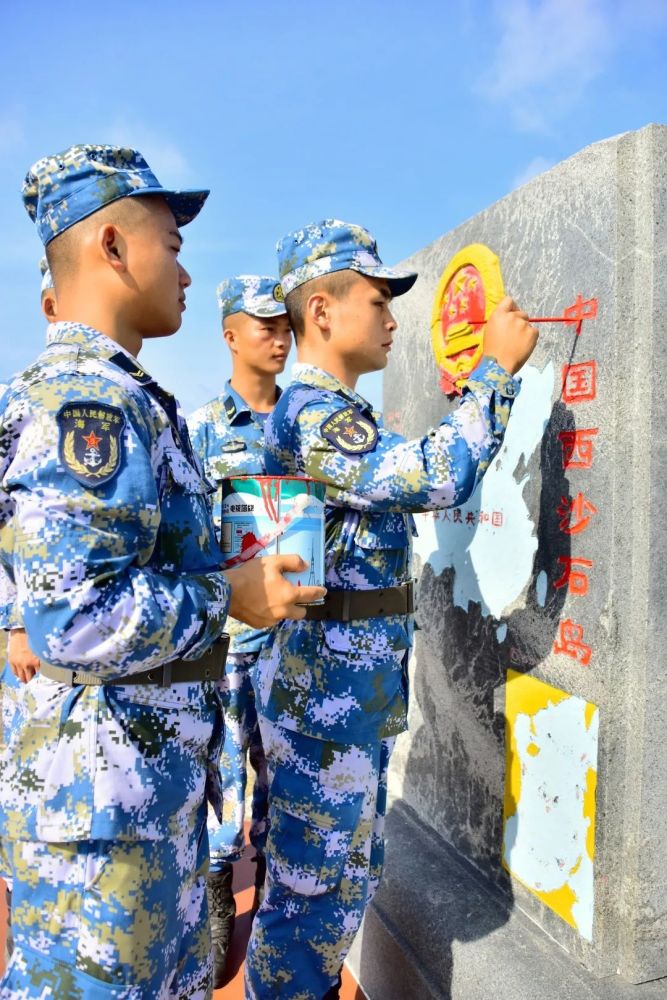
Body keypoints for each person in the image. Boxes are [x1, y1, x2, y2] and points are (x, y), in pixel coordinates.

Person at [0, 144, 324, 999]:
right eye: (172, 247)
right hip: (104, 822)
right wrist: (232, 596)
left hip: (136, 801)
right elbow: (74, 615)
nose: (184, 274)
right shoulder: (86, 402)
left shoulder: (119, 393)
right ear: (111, 246)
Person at [245, 219, 538, 999]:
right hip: (323, 706)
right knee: (310, 905)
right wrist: (495, 372)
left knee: (333, 890)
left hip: (341, 698)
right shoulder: (314, 413)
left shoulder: (334, 414)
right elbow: (432, 476)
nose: (392, 318)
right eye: (376, 300)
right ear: (320, 311)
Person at [188, 274, 292, 984]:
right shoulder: (199, 431)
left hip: (294, 637)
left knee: (285, 775)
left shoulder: (303, 424)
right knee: (222, 773)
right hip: (225, 637)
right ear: (229, 334)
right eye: (265, 326)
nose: (280, 338)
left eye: (287, 325)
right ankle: (221, 891)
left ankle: (285, 907)